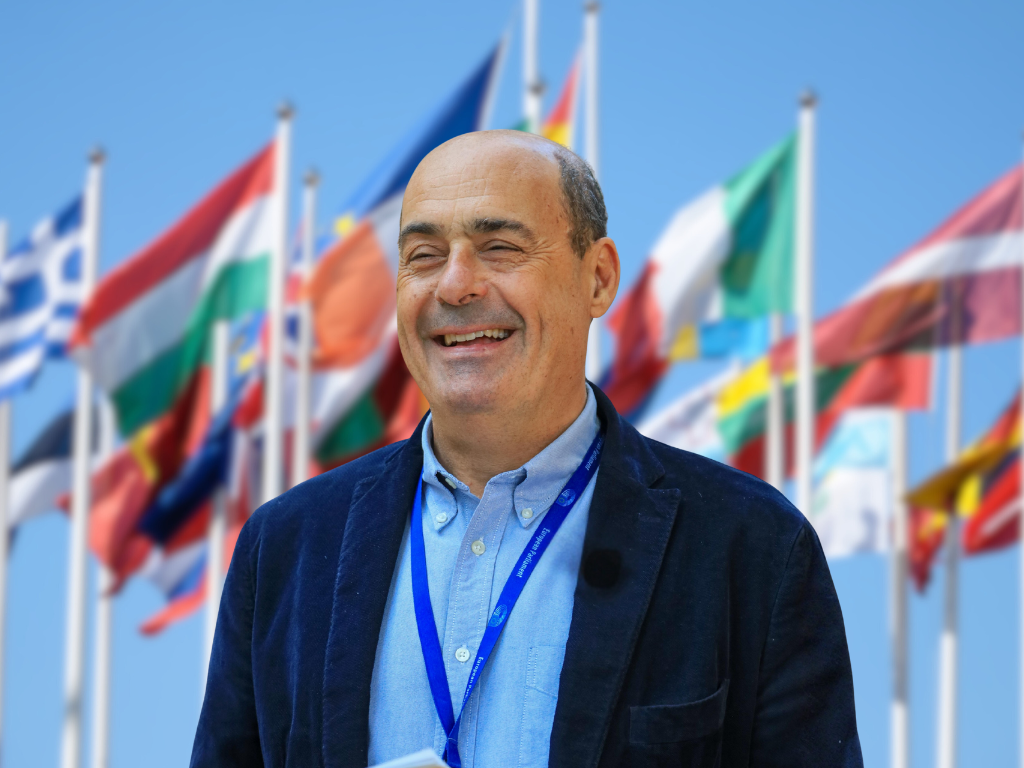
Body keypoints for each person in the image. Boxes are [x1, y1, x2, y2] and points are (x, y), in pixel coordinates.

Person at [191, 130, 862, 768]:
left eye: (500, 248)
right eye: (424, 255)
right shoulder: (286, 550)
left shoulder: (752, 548)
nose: (455, 285)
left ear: (598, 278)